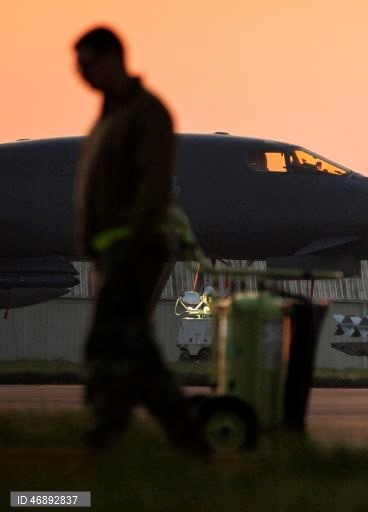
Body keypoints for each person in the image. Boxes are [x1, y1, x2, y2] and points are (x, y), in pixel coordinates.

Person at [73, 26, 208, 458]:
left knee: (108, 342)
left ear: (112, 57)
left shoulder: (146, 113)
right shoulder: (110, 115)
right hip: (114, 249)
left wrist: (131, 242)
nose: (81, 73)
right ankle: (169, 433)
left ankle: (110, 427)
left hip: (134, 248)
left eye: (87, 63)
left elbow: (153, 183)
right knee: (131, 346)